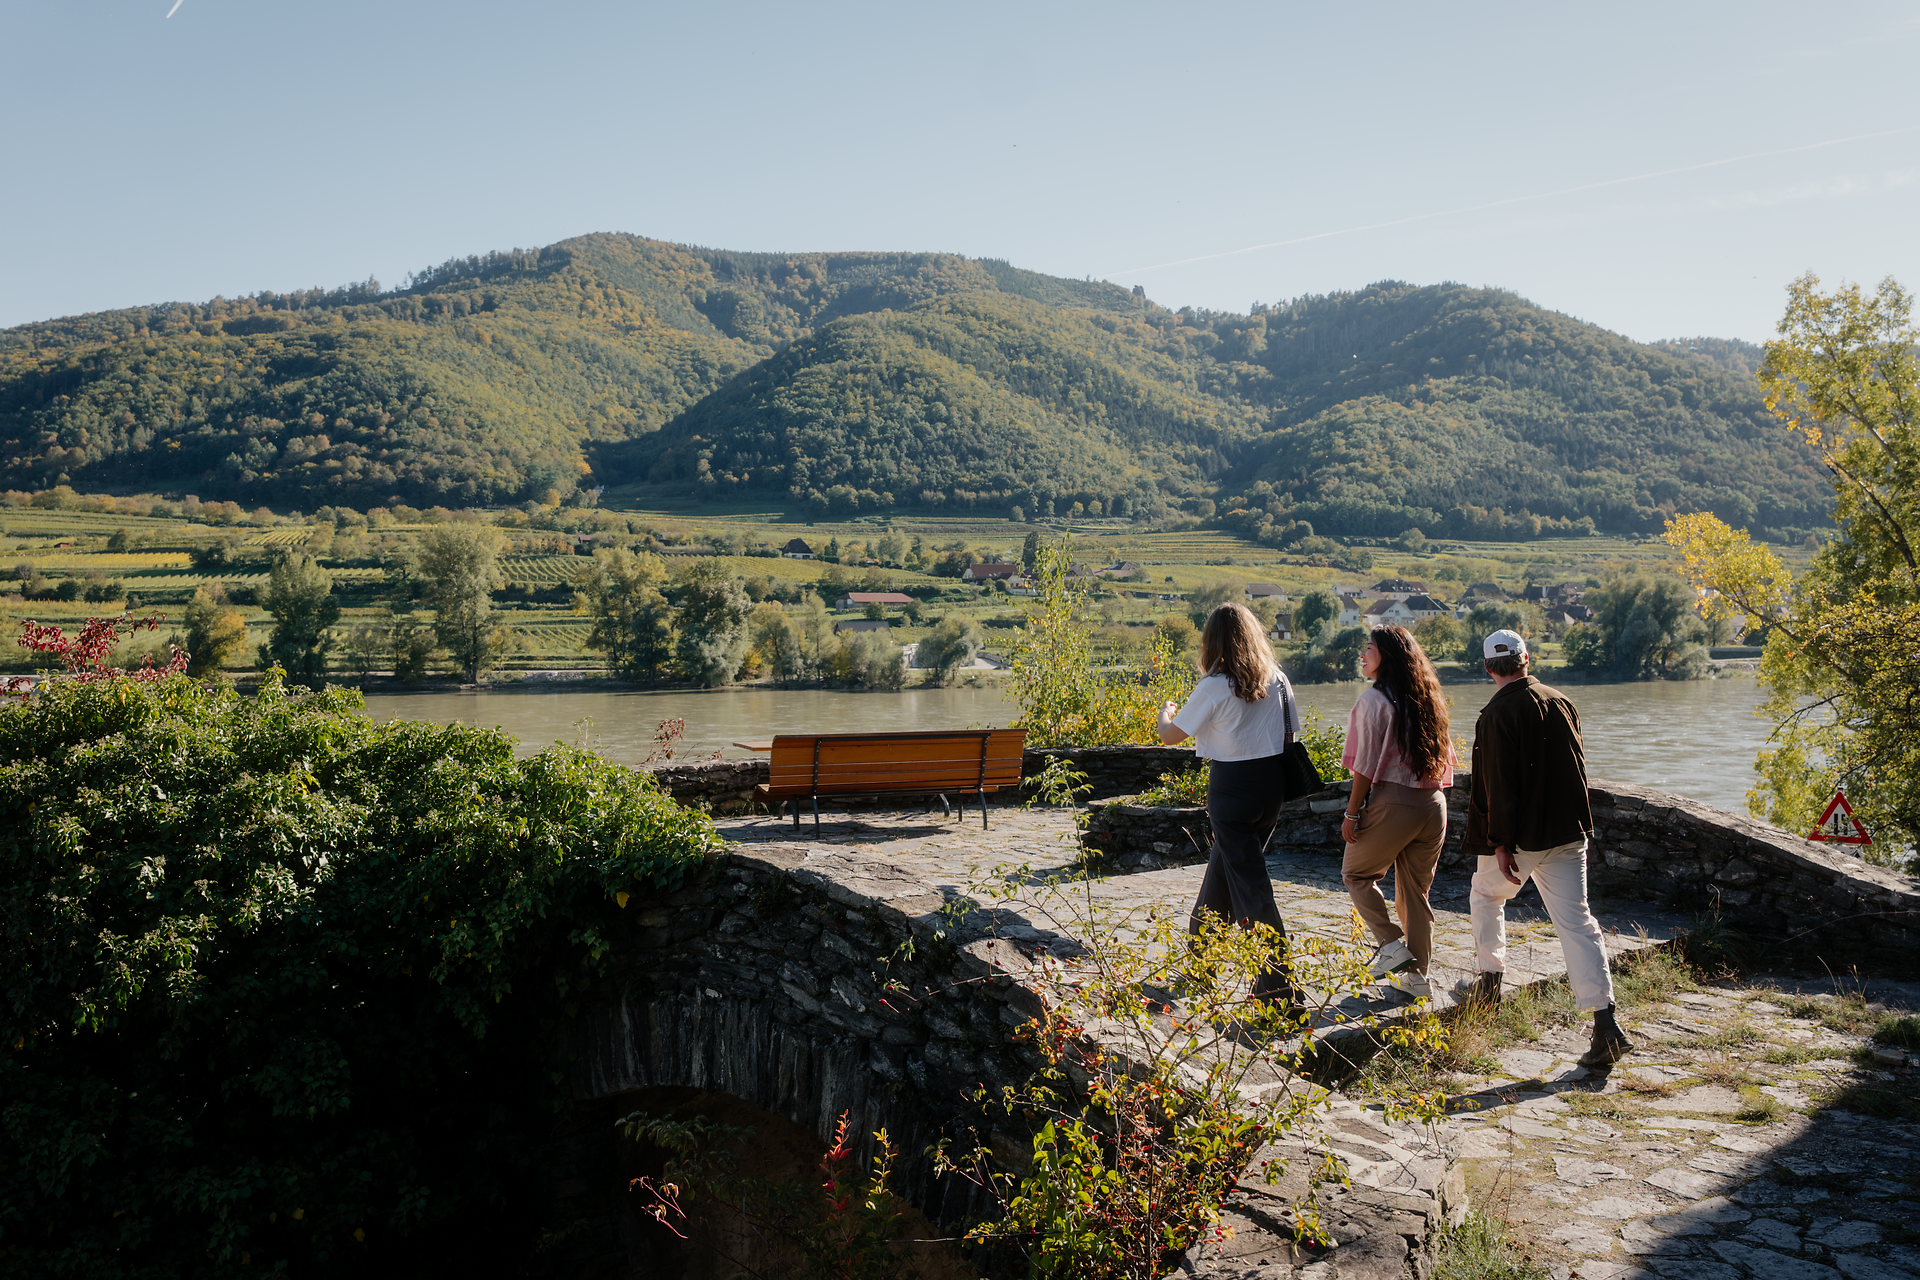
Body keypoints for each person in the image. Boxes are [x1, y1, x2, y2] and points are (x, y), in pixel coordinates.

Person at [1458, 628, 1634, 1067]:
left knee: (1485, 897)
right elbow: (1576, 770)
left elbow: (1499, 786)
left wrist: (1500, 843)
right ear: (1527, 659)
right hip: (1567, 832)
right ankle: (1605, 1023)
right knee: (1578, 924)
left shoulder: (1496, 716)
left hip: (1519, 839)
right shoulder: (1562, 702)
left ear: (1487, 668)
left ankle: (1490, 983)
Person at [1157, 602, 1304, 1007]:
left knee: (1251, 887)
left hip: (1232, 789)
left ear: (1213, 641)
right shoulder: (1278, 679)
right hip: (1271, 787)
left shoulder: (1213, 686)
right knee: (1224, 875)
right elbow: (1291, 734)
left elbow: (1172, 736)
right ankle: (1200, 969)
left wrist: (1164, 713)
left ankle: (1279, 988)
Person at [1340, 626, 1457, 1000]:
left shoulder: (1375, 701)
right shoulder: (1428, 700)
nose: (1363, 654)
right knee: (1414, 895)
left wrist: (1352, 812)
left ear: (1386, 656)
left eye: (1369, 648)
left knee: (1356, 875)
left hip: (1395, 802)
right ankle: (1417, 979)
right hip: (1434, 805)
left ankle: (1392, 947)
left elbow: (1365, 766)